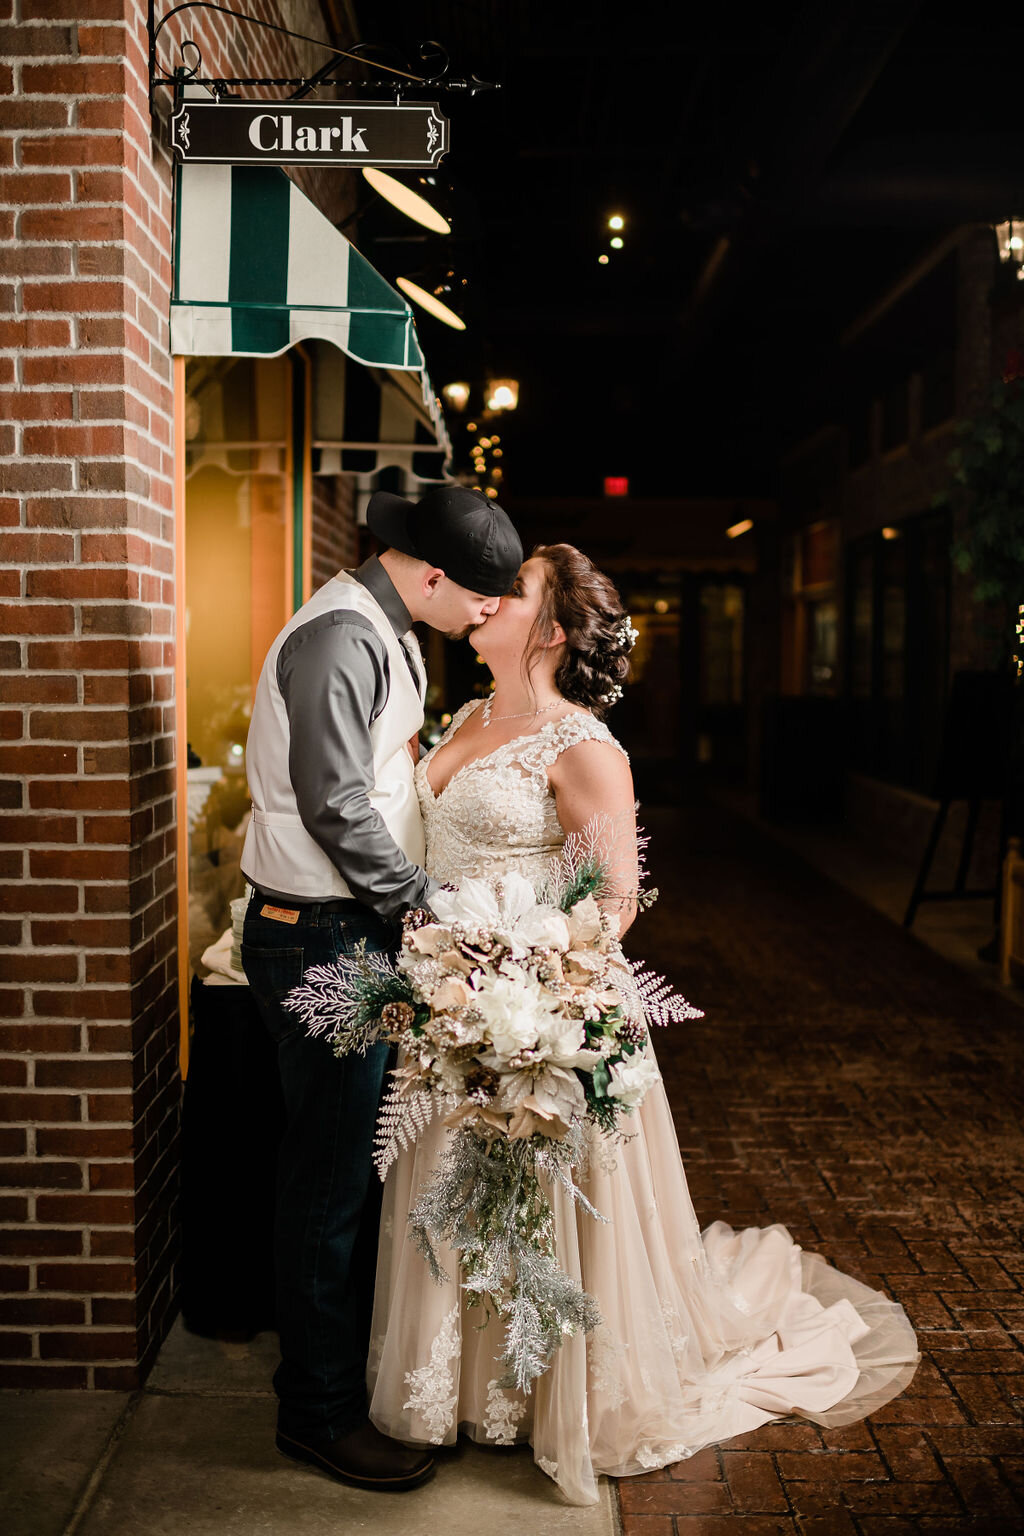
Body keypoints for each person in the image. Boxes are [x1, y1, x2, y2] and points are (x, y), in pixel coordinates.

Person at [367, 543, 920, 1506]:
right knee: (450, 1190)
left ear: (546, 628)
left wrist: (525, 982)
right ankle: (458, 1390)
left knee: (541, 1204)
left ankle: (553, 1395)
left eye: (515, 590)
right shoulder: (464, 716)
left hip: (537, 1008)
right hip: (453, 1004)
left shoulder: (580, 742)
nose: (487, 598)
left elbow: (613, 901)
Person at [239, 482, 523, 1492]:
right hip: (318, 934)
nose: (490, 613)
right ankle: (313, 1417)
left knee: (345, 1170)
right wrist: (425, 902)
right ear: (434, 575)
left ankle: (333, 1383)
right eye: (481, 598)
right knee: (326, 1180)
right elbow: (332, 804)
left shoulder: (391, 627)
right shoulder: (342, 636)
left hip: (350, 929)